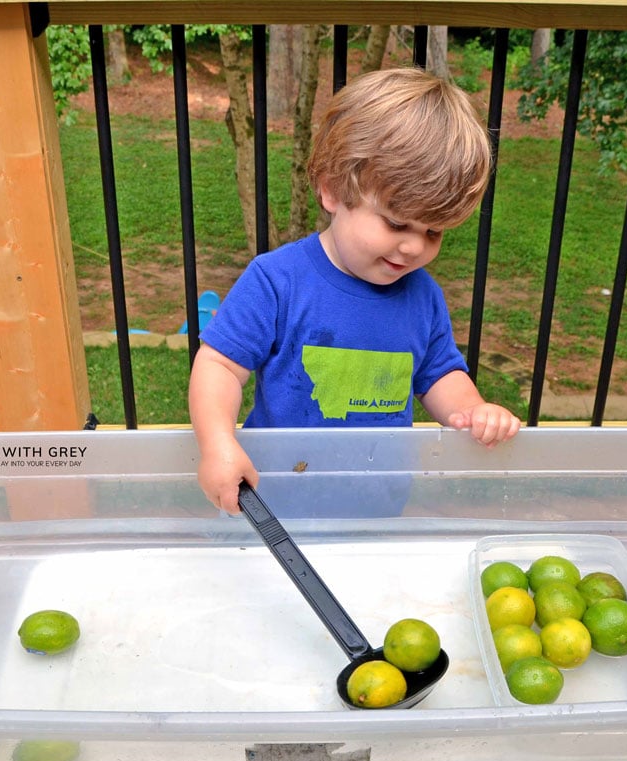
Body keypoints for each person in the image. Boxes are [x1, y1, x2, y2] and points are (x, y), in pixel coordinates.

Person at [189, 67, 521, 515]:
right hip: (275, 510)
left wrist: (475, 411)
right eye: (397, 223)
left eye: (434, 231)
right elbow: (220, 367)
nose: (414, 246)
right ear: (332, 189)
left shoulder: (422, 298)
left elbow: (440, 375)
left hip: (377, 511)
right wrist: (218, 445)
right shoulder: (276, 281)